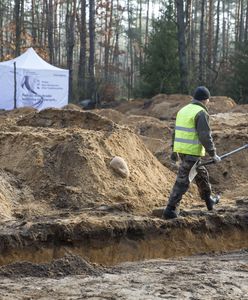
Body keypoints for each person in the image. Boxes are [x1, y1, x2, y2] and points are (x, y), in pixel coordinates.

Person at [163, 86, 221, 219]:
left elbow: (175, 132)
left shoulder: (183, 110)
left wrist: (174, 150)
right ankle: (170, 209)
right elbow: (205, 136)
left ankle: (209, 200)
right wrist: (213, 154)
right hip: (191, 153)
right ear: (206, 100)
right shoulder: (201, 113)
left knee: (201, 174)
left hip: (183, 150)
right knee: (183, 180)